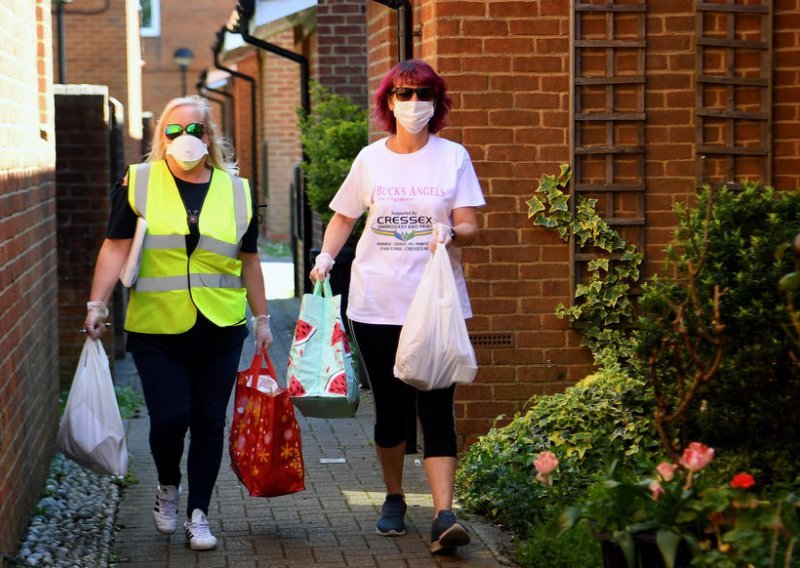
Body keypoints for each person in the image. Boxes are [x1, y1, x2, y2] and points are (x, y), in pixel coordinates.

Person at [310, 59, 485, 555]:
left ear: (437, 103)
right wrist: (326, 255)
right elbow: (345, 217)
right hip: (376, 303)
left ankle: (444, 512)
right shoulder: (371, 159)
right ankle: (393, 496)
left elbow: (471, 225)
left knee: (437, 407)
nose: (414, 104)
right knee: (390, 409)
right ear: (389, 102)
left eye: (423, 94)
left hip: (435, 306)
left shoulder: (452, 157)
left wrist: (452, 232)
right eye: (404, 94)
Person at [83, 95, 271, 551]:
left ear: (210, 137)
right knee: (170, 419)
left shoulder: (236, 190)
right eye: (174, 130)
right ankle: (168, 486)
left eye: (195, 130)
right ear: (161, 137)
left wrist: (263, 319)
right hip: (156, 329)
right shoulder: (139, 182)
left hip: (220, 327)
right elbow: (114, 245)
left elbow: (249, 261)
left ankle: (199, 516)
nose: (185, 139)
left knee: (208, 421)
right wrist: (97, 304)